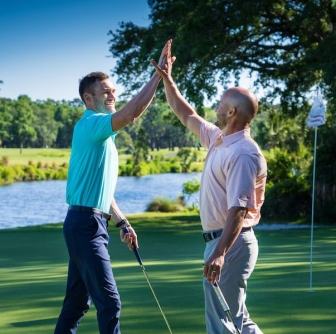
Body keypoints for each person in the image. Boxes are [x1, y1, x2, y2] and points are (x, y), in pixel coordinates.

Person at [151, 40, 266, 334]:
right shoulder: (219, 139)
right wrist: (168, 79)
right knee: (238, 320)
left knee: (222, 324)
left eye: (221, 103)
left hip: (230, 243)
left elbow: (239, 209)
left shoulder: (242, 152)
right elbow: (185, 113)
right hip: (223, 242)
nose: (216, 105)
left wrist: (219, 253)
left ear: (231, 114)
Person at [54, 41, 169, 334]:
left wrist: (123, 222)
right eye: (106, 92)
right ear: (88, 98)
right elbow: (131, 113)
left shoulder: (102, 134)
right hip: (84, 225)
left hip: (88, 221)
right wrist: (157, 77)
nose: (113, 95)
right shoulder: (92, 124)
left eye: (114, 91)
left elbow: (102, 192)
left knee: (77, 305)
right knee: (110, 302)